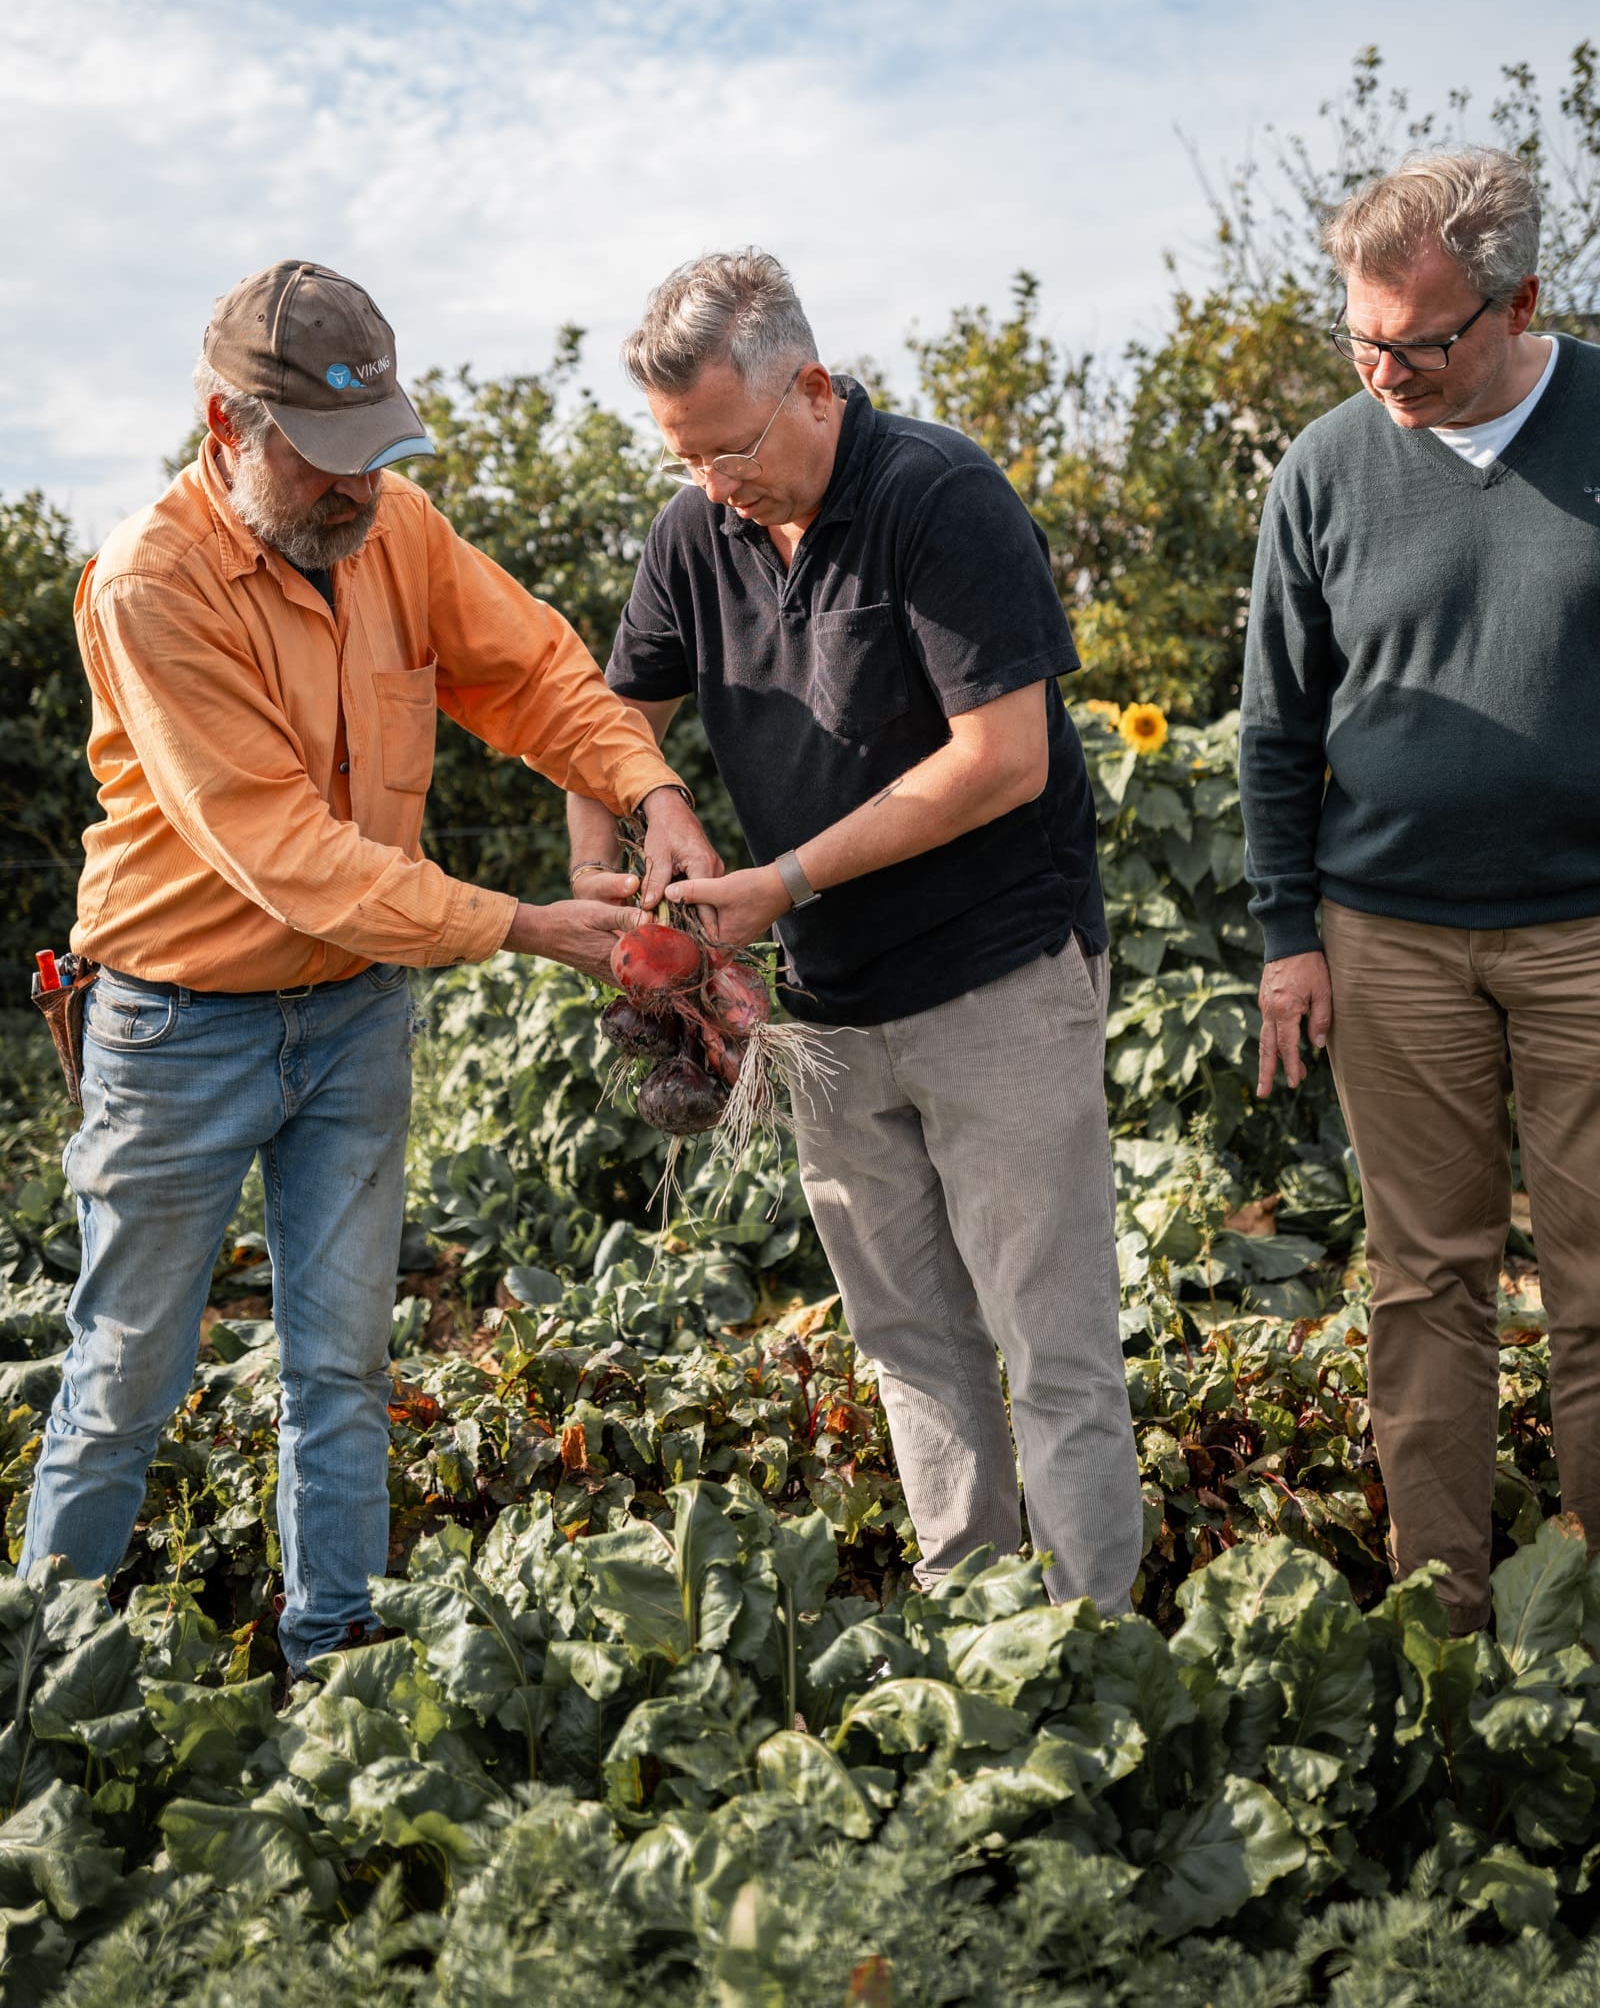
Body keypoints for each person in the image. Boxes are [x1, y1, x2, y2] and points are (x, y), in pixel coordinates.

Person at [25, 258, 714, 1673]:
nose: (356, 487)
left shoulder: (391, 529)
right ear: (227, 426)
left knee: (342, 1365)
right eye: (323, 457)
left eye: (374, 451)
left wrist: (649, 788)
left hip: (350, 1018)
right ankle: (36, 1673)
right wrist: (524, 924)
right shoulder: (153, 582)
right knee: (125, 1375)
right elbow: (284, 853)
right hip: (177, 1030)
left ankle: (332, 1658)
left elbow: (533, 672)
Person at [566, 250, 1143, 1613]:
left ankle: (1097, 1651)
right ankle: (972, 1627)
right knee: (908, 1339)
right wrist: (618, 844)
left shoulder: (937, 496)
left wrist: (783, 881)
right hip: (828, 1010)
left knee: (1050, 1343)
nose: (714, 484)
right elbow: (605, 717)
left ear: (813, 388)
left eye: (732, 448)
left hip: (996, 979)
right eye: (686, 456)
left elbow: (1002, 759)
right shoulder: (695, 532)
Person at [1240, 149, 1600, 1633]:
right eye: (1360, 340)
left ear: (1518, 302)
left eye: (1420, 345)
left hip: (1588, 936)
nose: (1384, 373)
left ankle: (1587, 1622)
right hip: (1387, 937)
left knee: (1597, 1285)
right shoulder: (1326, 466)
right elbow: (1277, 722)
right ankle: (1441, 1631)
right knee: (1424, 1283)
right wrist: (1286, 931)